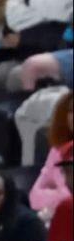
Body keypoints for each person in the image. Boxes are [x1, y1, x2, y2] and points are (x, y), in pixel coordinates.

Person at [30, 92, 73, 223]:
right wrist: (63, 195)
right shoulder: (57, 152)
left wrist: (59, 196)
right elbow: (35, 197)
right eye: (71, 111)